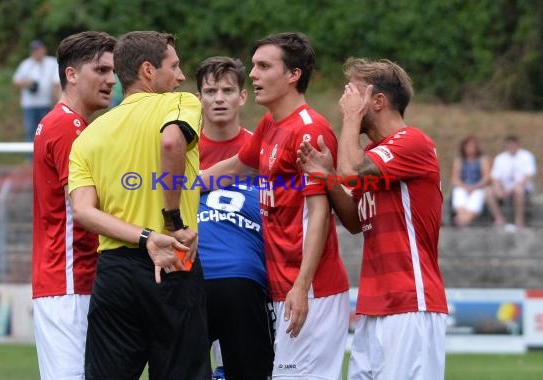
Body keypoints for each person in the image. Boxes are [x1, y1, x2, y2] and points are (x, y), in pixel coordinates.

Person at [201, 32, 350, 379]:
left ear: (293, 75)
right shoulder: (270, 124)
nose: (252, 74)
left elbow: (319, 216)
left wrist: (301, 287)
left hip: (311, 290)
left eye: (263, 66)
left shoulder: (309, 130)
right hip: (282, 287)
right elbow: (234, 167)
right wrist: (174, 189)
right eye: (253, 65)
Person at [68, 31, 209, 379]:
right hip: (173, 260)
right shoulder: (181, 103)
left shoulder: (89, 135)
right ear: (148, 69)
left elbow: (84, 212)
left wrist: (145, 236)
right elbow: (172, 141)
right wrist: (172, 220)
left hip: (115, 272)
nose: (179, 76)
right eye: (174, 66)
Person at [297, 57, 448, 380]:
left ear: (377, 101)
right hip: (375, 305)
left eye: (354, 94)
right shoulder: (377, 158)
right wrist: (326, 177)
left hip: (411, 304)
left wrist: (350, 120)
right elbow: (353, 221)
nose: (344, 101)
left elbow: (350, 172)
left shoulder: (412, 142)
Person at [31, 31, 117, 380]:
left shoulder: (69, 123)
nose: (111, 79)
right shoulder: (68, 126)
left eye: (112, 71)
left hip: (73, 280)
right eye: (101, 70)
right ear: (71, 74)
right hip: (68, 281)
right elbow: (85, 209)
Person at [195, 56, 274, 379]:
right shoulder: (179, 149)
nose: (218, 98)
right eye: (210, 91)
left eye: (227, 90)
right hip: (191, 281)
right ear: (198, 97)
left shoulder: (265, 148)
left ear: (242, 96)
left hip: (248, 281)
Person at [12, 39, 60, 142]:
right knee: (30, 131)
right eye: (34, 50)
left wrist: (56, 102)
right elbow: (15, 82)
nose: (37, 52)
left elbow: (56, 83)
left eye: (39, 49)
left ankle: (45, 156)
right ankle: (30, 157)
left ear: (44, 50)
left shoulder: (52, 63)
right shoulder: (25, 64)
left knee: (47, 131)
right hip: (29, 104)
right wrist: (27, 83)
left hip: (47, 103)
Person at [485, 135, 537, 229]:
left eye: (513, 144)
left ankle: (519, 221)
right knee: (488, 191)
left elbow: (527, 176)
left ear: (518, 144)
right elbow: (495, 177)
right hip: (504, 188)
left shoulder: (526, 156)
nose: (511, 147)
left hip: (522, 188)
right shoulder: (500, 158)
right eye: (509, 145)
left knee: (518, 190)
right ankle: (499, 219)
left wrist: (510, 189)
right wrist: (498, 188)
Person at [450, 136, 491, 227]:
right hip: (463, 187)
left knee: (477, 197)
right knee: (459, 194)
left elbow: (486, 177)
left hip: (478, 187)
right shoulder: (459, 161)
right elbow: (455, 178)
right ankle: (464, 219)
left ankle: (462, 220)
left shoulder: (482, 160)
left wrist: (475, 186)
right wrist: (464, 187)